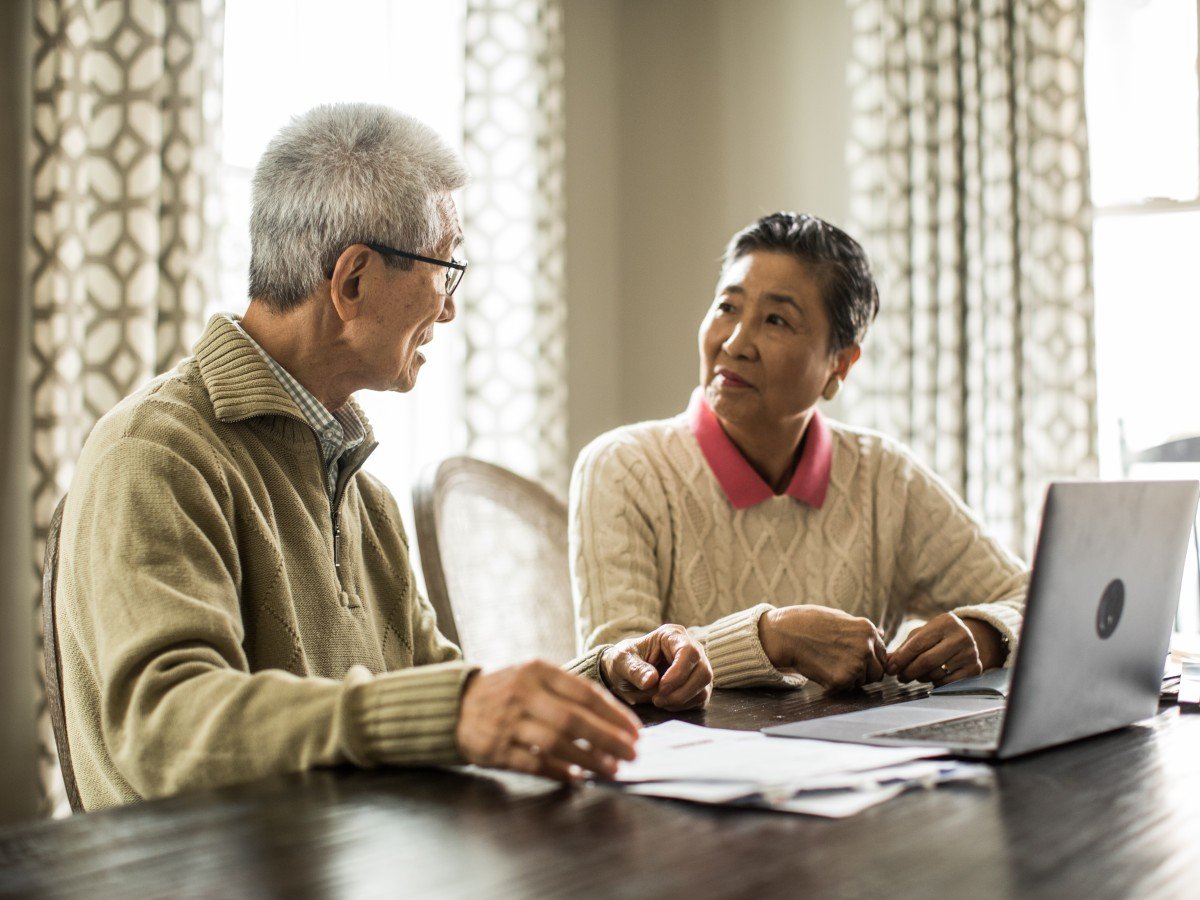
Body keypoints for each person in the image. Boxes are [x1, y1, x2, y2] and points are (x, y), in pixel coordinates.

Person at [56, 104, 712, 811]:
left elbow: (438, 694)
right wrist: (452, 711)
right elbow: (164, 731)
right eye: (445, 265)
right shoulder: (156, 453)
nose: (450, 308)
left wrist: (606, 681)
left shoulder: (362, 493)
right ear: (354, 281)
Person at [570, 211, 1027, 694]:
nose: (735, 342)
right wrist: (770, 639)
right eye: (727, 306)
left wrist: (989, 633)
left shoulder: (884, 476)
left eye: (776, 320)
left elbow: (1036, 599)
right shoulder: (623, 467)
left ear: (840, 363)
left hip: (860, 764)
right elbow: (616, 668)